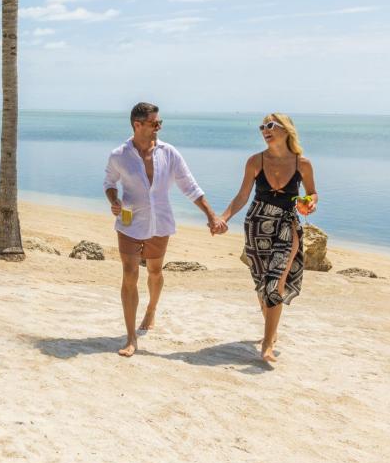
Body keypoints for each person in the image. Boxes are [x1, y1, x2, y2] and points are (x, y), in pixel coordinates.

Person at [104, 103, 225, 357]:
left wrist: (211, 216)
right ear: (138, 125)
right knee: (129, 273)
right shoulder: (119, 155)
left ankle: (151, 309)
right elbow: (109, 182)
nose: (159, 127)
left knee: (155, 271)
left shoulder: (169, 153)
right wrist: (114, 200)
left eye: (160, 123)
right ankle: (131, 337)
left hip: (160, 223)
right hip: (129, 222)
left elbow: (190, 186)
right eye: (154, 123)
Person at [215, 113, 319, 364]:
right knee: (262, 283)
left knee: (275, 283)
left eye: (270, 125)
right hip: (256, 225)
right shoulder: (255, 161)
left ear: (286, 129)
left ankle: (267, 344)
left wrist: (309, 203)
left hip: (286, 226)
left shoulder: (302, 164)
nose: (265, 130)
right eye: (262, 127)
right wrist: (224, 218)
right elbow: (242, 196)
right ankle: (271, 331)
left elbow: (313, 193)